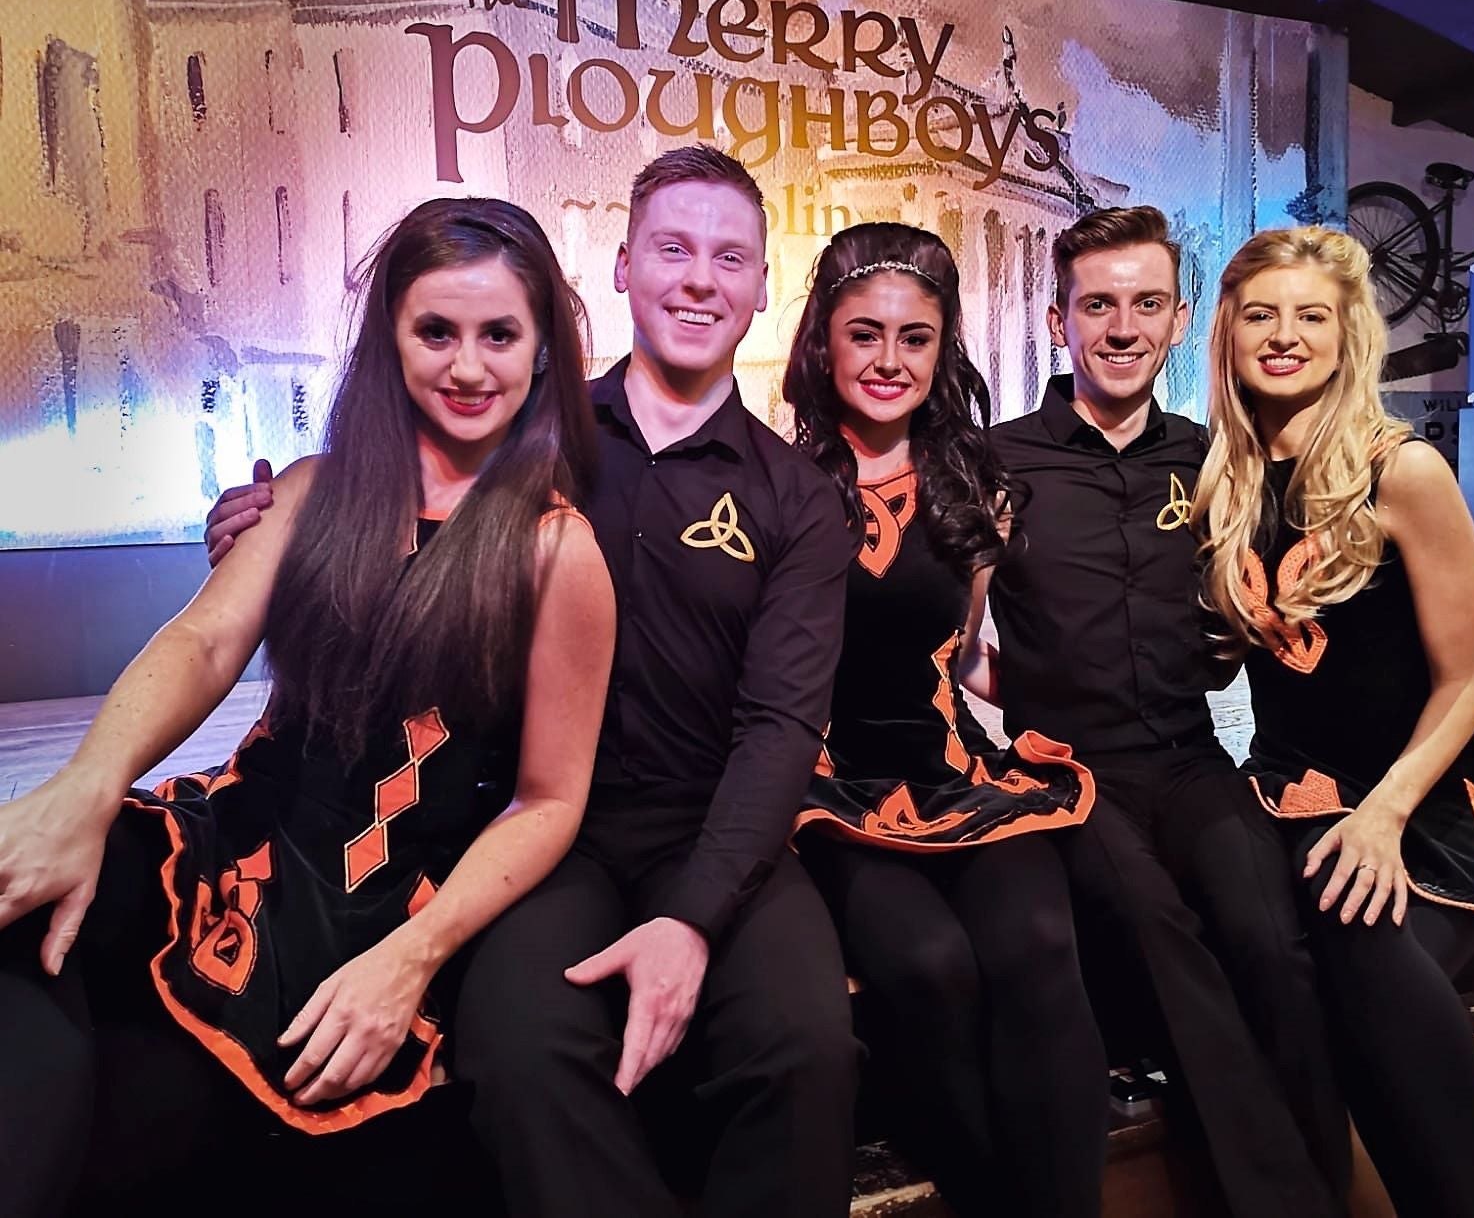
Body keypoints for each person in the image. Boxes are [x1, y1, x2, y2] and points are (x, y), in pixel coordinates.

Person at [206, 147, 860, 1217]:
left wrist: (693, 917)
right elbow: (378, 506)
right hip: (531, 827)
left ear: (760, 287)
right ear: (623, 268)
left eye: (729, 257)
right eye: (673, 249)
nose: (699, 279)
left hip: (716, 829)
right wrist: (264, 524)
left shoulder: (797, 497)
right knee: (516, 1051)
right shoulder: (518, 433)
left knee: (806, 1049)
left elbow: (782, 728)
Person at [0, 197, 614, 1216]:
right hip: (231, 848)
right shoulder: (313, 490)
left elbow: (548, 800)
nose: (467, 366)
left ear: (543, 348)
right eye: (436, 331)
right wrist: (85, 788)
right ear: (390, 339)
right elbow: (203, 641)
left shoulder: (557, 551)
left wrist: (412, 960)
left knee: (144, 1125)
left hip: (382, 910)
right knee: (22, 901)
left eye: (499, 335)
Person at [1190, 225, 1474, 1218]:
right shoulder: (1223, 479)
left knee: (1356, 933)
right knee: (1269, 938)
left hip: (1440, 790)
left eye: (1310, 317)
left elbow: (1465, 681)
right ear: (1228, 333)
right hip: (1299, 782)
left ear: (1348, 336)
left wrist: (1381, 814)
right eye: (1260, 315)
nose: (1283, 336)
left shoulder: (1402, 469)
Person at [985, 206, 1348, 1217]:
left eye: (1147, 303)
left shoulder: (1212, 459)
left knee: (1271, 938)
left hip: (1189, 761)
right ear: (1057, 320)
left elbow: (1248, 619)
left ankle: (1325, 1186)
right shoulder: (997, 461)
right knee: (1161, 931)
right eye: (1097, 305)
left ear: (1181, 319)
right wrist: (1017, 706)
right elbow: (951, 637)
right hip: (1069, 773)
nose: (1122, 327)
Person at [783, 223, 1105, 1217]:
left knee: (1040, 945)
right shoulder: (777, 488)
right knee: (928, 966)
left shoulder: (977, 489)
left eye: (914, 338)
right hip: (835, 795)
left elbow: (960, 654)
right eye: (864, 334)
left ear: (942, 348)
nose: (889, 360)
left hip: (960, 776)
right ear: (823, 344)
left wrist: (1076, 698)